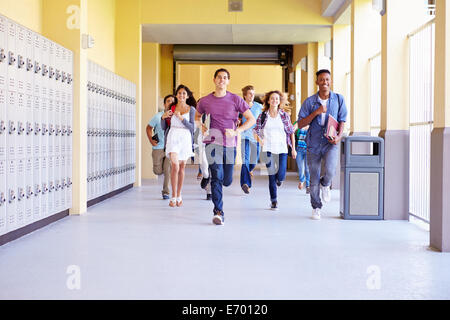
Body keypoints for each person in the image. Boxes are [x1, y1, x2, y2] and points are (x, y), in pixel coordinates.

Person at [196, 68, 256, 225]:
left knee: (227, 180)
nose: (221, 80)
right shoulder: (205, 100)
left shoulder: (235, 99)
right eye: (219, 77)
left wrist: (237, 131)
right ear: (214, 80)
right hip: (212, 143)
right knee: (217, 176)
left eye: (225, 78)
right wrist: (201, 125)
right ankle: (218, 211)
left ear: (228, 81)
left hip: (230, 145)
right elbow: (197, 115)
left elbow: (251, 119)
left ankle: (212, 181)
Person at [297, 69, 347, 220]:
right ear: (317, 82)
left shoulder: (338, 99)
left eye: (327, 80)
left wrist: (339, 136)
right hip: (313, 144)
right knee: (313, 178)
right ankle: (316, 207)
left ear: (330, 81)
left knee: (330, 171)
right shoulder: (310, 102)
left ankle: (325, 184)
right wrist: (316, 112)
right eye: (321, 80)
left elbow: (342, 119)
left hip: (331, 143)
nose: (324, 82)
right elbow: (300, 124)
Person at [254, 90, 296, 210]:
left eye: (277, 99)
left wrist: (293, 148)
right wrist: (259, 140)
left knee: (281, 175)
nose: (274, 100)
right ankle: (274, 200)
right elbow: (255, 131)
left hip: (282, 149)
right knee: (272, 175)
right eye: (272, 98)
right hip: (268, 149)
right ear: (268, 101)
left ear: (279, 101)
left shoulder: (284, 115)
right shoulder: (263, 116)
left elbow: (291, 132)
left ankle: (279, 180)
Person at [161, 85, 196, 207]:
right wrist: (163, 118)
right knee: (175, 165)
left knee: (181, 167)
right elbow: (164, 127)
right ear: (176, 95)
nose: (181, 95)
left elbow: (192, 128)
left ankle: (179, 195)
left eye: (184, 93)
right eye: (179, 93)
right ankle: (173, 195)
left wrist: (182, 118)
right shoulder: (172, 107)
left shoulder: (191, 109)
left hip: (185, 138)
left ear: (187, 96)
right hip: (173, 136)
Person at [146, 95, 175, 200]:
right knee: (157, 171)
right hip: (158, 147)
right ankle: (162, 168)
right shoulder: (158, 116)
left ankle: (166, 192)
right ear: (164, 104)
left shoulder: (176, 117)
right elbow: (149, 128)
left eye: (172, 101)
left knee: (167, 170)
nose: (170, 102)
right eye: (168, 101)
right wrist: (151, 139)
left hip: (170, 147)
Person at [239, 85, 263, 194]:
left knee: (253, 162)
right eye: (250, 94)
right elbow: (236, 119)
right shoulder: (240, 107)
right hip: (245, 137)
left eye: (253, 94)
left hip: (255, 137)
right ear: (245, 95)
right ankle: (246, 184)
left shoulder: (259, 107)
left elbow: (264, 120)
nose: (252, 96)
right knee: (245, 160)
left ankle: (249, 171)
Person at [293, 121, 310, 194]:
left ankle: (308, 186)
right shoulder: (298, 123)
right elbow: (292, 131)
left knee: (307, 168)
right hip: (299, 149)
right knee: (300, 168)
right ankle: (302, 180)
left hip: (308, 150)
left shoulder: (312, 123)